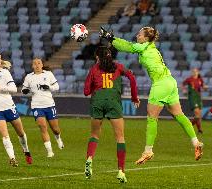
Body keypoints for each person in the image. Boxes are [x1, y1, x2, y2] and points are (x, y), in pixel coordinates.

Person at [100, 26, 203, 165]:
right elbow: (129, 45)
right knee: (179, 115)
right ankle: (196, 142)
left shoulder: (143, 47)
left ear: (146, 38)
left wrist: (111, 38)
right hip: (170, 82)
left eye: (140, 34)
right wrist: (113, 39)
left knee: (152, 117)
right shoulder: (151, 47)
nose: (137, 35)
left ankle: (148, 151)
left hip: (160, 83)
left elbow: (127, 46)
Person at [83, 46, 140, 183]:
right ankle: (121, 171)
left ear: (97, 57)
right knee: (120, 138)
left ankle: (89, 159)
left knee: (94, 135)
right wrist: (134, 97)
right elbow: (132, 78)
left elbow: (86, 91)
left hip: (97, 101)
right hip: (113, 102)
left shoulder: (94, 69)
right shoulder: (119, 66)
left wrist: (95, 89)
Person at [21, 58, 64, 158]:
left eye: (39, 63)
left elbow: (57, 87)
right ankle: (49, 151)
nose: (36, 65)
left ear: (42, 65)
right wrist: (25, 91)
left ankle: (58, 138)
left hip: (49, 105)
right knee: (43, 127)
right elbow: (24, 89)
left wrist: (48, 87)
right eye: (34, 63)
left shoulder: (48, 74)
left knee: (55, 129)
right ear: (32, 66)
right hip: (37, 106)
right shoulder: (29, 77)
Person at [182, 68, 208, 134]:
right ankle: (188, 127)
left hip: (198, 98)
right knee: (197, 114)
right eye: (193, 71)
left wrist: (205, 88)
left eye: (196, 71)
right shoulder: (189, 79)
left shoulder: (200, 79)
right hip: (192, 98)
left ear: (198, 72)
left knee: (199, 115)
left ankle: (199, 130)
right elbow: (183, 84)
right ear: (192, 72)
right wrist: (184, 90)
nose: (194, 72)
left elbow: (204, 87)